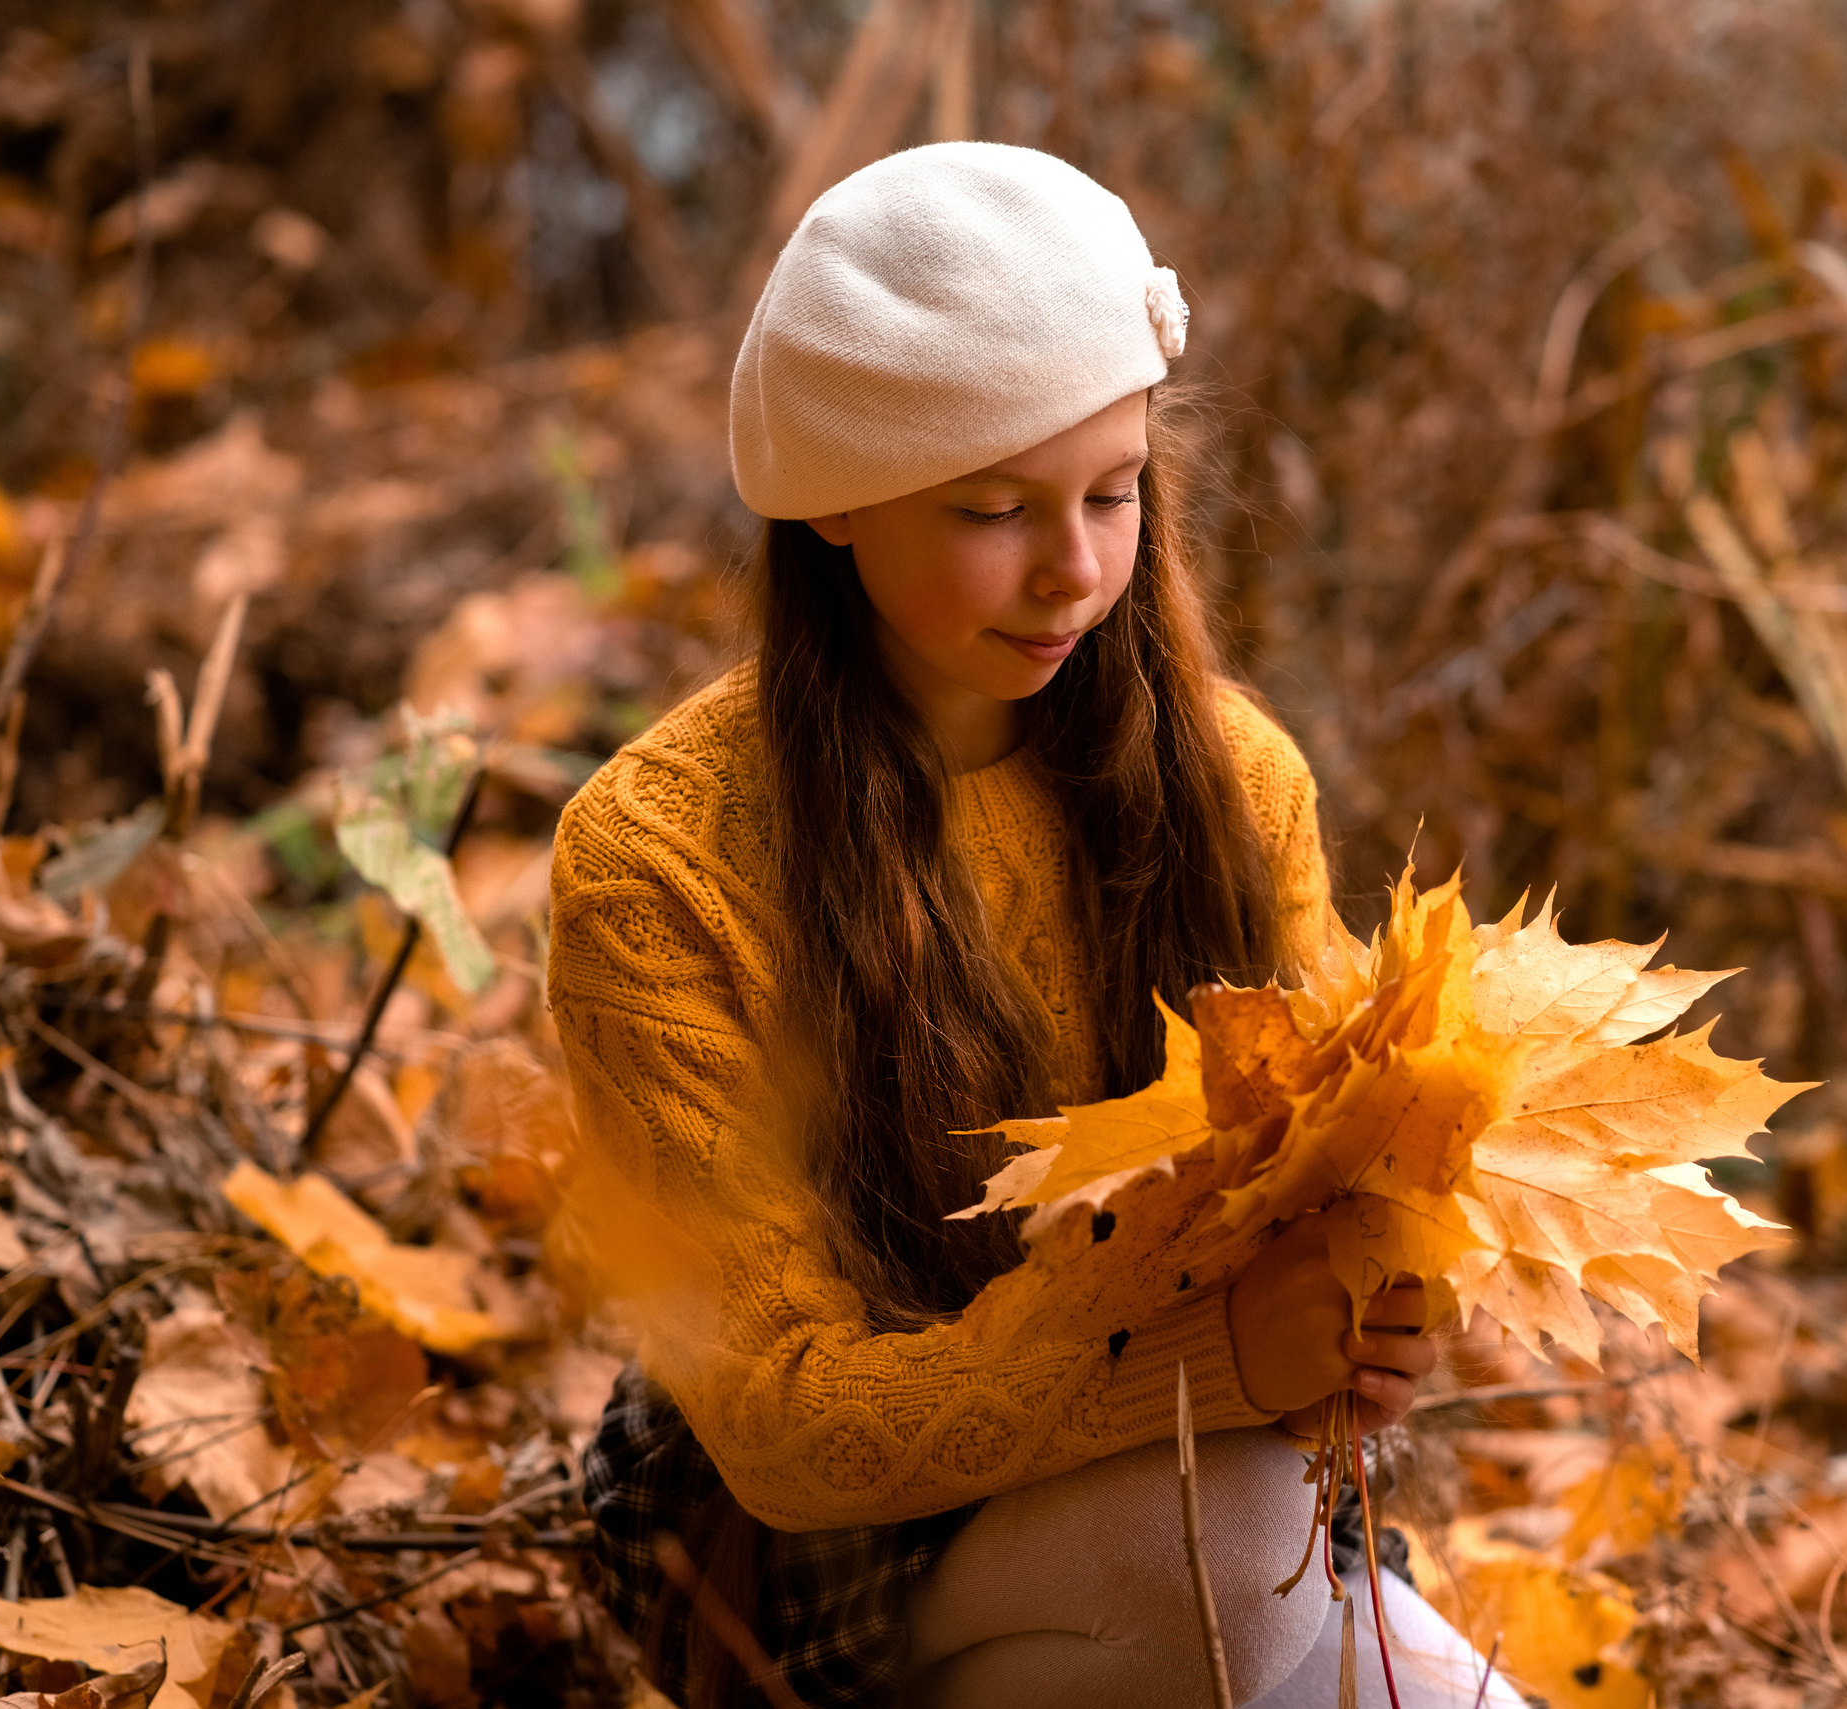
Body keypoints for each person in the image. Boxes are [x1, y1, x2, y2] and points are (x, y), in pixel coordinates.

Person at [552, 142, 1523, 1709]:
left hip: (1179, 1491)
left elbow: (1328, 1184)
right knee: (1227, 1545)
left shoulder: (1235, 782)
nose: (1075, 569)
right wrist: (1223, 1367)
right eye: (994, 508)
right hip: (801, 1547)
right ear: (839, 510)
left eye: (1114, 492)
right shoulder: (656, 860)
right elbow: (787, 1422)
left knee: (1348, 1624)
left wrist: (1370, 1304)